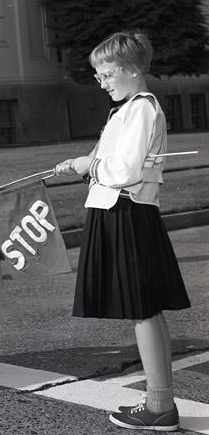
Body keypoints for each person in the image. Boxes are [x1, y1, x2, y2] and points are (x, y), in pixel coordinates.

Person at [55, 31, 190, 432]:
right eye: (98, 76)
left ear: (132, 69)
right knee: (145, 311)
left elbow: (126, 170)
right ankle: (159, 401)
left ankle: (160, 405)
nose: (103, 82)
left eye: (108, 73)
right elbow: (113, 160)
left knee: (142, 311)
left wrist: (88, 165)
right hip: (121, 211)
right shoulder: (126, 109)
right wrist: (86, 162)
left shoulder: (141, 109)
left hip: (126, 212)